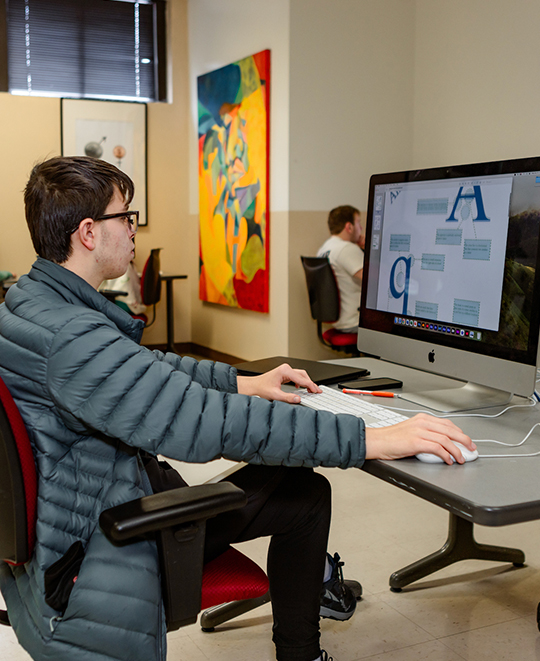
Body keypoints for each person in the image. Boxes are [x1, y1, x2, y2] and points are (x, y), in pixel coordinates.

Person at [0, 157, 475, 661]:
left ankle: (309, 626)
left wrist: (242, 381)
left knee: (301, 490)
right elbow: (207, 424)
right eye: (127, 216)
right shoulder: (74, 337)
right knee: (305, 495)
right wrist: (369, 438)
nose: (134, 228)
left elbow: (146, 370)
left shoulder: (33, 305)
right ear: (89, 233)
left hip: (80, 518)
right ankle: (303, 648)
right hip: (104, 551)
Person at [317, 205, 365, 332]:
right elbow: (375, 281)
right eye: (358, 223)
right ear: (349, 227)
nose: (361, 228)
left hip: (339, 320)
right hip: (355, 321)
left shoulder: (324, 248)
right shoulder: (346, 249)